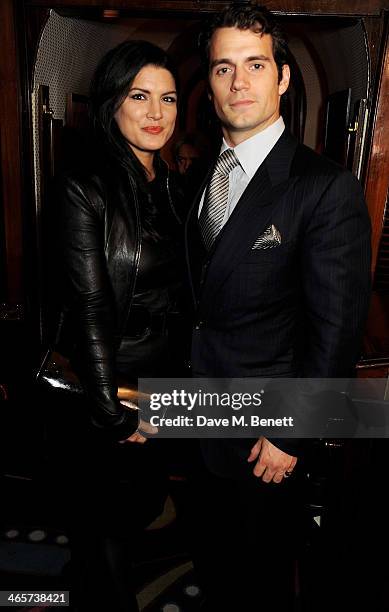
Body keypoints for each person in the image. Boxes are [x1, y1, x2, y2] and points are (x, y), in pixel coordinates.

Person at [185, 4, 371, 610]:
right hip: (199, 417)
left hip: (266, 437)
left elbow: (336, 326)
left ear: (283, 78)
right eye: (223, 68)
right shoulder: (198, 177)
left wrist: (293, 432)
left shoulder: (324, 185)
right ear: (208, 82)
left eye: (256, 65)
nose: (239, 83)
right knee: (213, 566)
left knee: (261, 582)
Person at [51, 39, 185, 611]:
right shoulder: (85, 188)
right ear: (112, 105)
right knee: (104, 529)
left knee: (136, 513)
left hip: (162, 385)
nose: (157, 114)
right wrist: (110, 410)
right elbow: (89, 307)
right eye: (140, 96)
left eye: (170, 99)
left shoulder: (174, 186)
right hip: (113, 387)